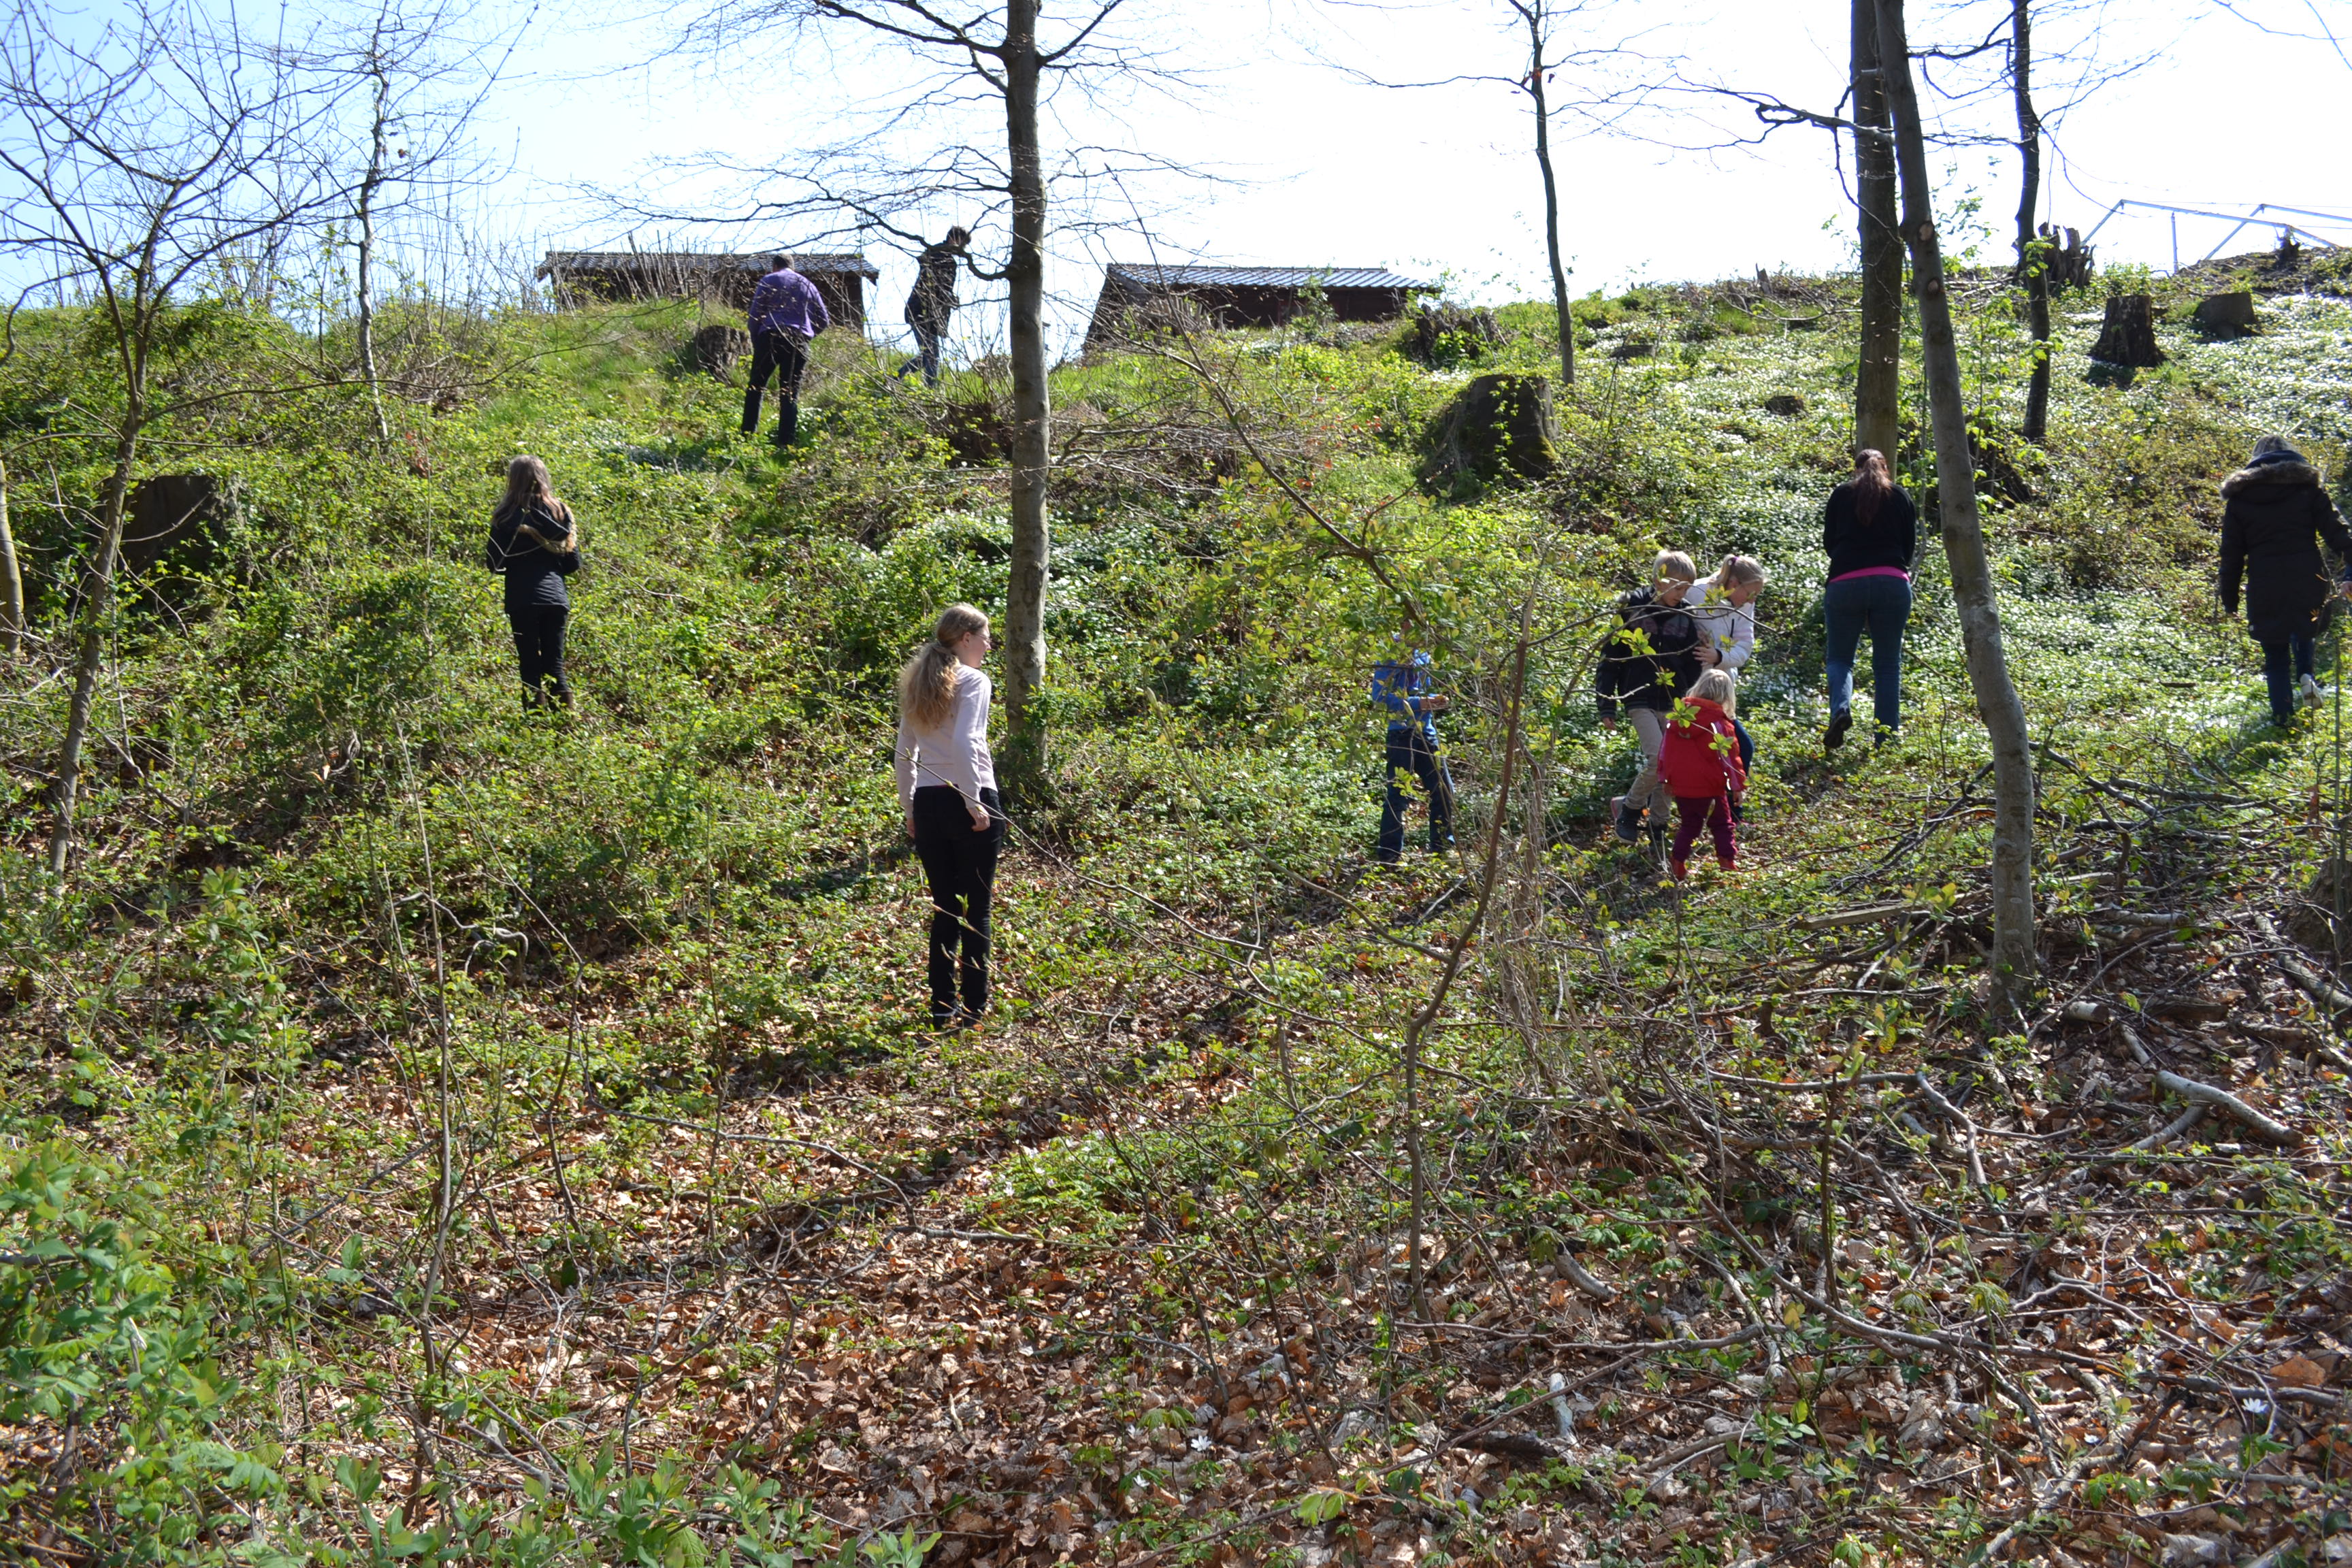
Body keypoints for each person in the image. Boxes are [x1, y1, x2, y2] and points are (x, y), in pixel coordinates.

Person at [895, 604, 1004, 1028]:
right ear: (966, 639)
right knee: (976, 907)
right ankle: (975, 1007)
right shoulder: (974, 681)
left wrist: (910, 808)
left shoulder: (918, 682)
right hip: (968, 797)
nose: (989, 645)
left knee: (945, 907)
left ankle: (942, 1006)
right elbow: (966, 741)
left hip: (928, 802)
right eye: (985, 637)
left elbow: (904, 754)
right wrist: (974, 801)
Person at [2219, 434, 2352, 725]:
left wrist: (2229, 598)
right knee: (2305, 627)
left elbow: (2231, 555)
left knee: (2275, 653)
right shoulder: (2308, 490)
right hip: (2308, 574)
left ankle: (2282, 719)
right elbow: (2339, 534)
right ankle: (2306, 676)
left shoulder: (2240, 499)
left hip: (2265, 581)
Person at [1597, 551, 1703, 843]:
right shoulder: (1632, 608)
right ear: (1658, 581)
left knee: (1673, 764)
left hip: (1673, 700)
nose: (1682, 594)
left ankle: (1658, 826)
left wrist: (1691, 701)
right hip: (1638, 694)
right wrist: (1606, 703)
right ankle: (1629, 810)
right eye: (1677, 587)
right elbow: (1611, 657)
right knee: (1658, 758)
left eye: (1686, 589)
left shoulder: (1686, 616)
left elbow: (1692, 664)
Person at [1820, 449, 1917, 748]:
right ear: (1886, 468)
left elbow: (1829, 543)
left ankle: (1840, 710)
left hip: (1845, 583)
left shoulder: (1841, 494)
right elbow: (1908, 547)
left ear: (1856, 469)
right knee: (1887, 664)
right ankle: (1885, 740)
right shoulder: (1900, 496)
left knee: (1840, 659)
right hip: (1892, 582)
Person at [485, 455, 581, 709]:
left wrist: (517, 566)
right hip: (556, 598)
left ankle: (533, 724)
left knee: (529, 664)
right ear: (543, 478)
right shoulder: (561, 512)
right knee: (554, 665)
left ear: (513, 480)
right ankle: (565, 723)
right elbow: (573, 564)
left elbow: (493, 563)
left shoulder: (505, 515)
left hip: (522, 599)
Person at [1685, 553, 1767, 787]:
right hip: (1690, 689)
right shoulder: (1697, 591)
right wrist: (1692, 634)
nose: (1753, 600)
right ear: (1733, 583)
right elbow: (1671, 620)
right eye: (1750, 593)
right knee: (1683, 753)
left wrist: (1719, 656)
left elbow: (1744, 647)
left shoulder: (1745, 604)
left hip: (1720, 691)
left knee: (1742, 748)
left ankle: (1730, 805)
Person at [1659, 668, 1746, 881]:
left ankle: (1678, 861)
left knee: (1690, 825)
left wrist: (1665, 779)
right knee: (1722, 824)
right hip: (1711, 786)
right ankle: (1727, 863)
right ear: (1726, 695)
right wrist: (1737, 786)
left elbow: (1665, 752)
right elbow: (1730, 757)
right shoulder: (1719, 723)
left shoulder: (1678, 719)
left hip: (1682, 785)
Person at [1371, 649, 1454, 863]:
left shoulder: (1424, 655)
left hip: (1426, 733)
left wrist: (1434, 701)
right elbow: (1380, 698)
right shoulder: (1389, 655)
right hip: (1400, 733)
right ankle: (1389, 855)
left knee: (1444, 789)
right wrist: (1418, 703)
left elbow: (1425, 693)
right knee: (1398, 795)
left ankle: (1441, 849)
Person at [742, 254, 830, 447]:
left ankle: (747, 437)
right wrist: (807, 335)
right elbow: (824, 320)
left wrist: (757, 340)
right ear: (793, 266)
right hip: (799, 340)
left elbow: (755, 315)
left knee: (756, 386)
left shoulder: (769, 280)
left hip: (771, 336)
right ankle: (786, 443)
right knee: (790, 392)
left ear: (775, 266)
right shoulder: (808, 285)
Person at [898, 226, 970, 387]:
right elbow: (938, 287)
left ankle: (895, 379)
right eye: (963, 244)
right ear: (955, 239)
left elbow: (937, 287)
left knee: (928, 356)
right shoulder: (944, 259)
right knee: (931, 356)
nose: (963, 249)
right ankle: (929, 390)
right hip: (923, 311)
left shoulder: (933, 254)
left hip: (921, 311)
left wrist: (949, 298)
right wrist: (950, 299)